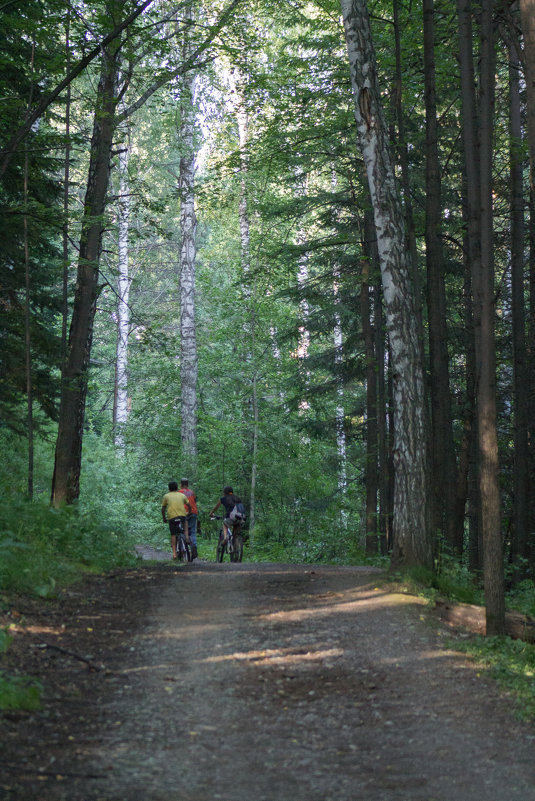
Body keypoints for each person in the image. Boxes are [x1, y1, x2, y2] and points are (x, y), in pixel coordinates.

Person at [161, 481, 191, 560]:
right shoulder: (182, 495)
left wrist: (164, 518)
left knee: (173, 535)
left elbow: (163, 509)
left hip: (172, 517)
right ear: (177, 487)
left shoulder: (166, 496)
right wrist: (189, 512)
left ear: (169, 488)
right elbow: (189, 505)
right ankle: (187, 538)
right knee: (185, 523)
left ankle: (174, 554)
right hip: (182, 516)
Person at [179, 478, 198, 560]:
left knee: (182, 530)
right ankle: (193, 545)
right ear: (187, 484)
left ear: (181, 484)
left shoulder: (179, 493)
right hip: (193, 513)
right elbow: (195, 501)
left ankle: (181, 546)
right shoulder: (192, 492)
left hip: (184, 513)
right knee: (193, 531)